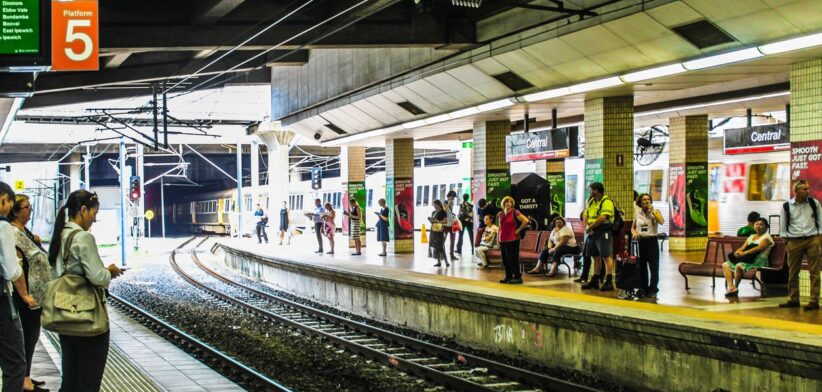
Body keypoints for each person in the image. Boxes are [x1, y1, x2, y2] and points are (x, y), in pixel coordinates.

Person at [47, 190, 124, 392]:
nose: (94, 219)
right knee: (88, 383)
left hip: (64, 314)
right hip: (87, 318)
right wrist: (110, 272)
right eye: (93, 213)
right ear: (82, 210)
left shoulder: (59, 234)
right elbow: (98, 277)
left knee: (69, 381)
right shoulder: (83, 238)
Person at [10, 195, 51, 392]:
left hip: (35, 293)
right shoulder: (13, 233)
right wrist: (25, 295)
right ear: (16, 211)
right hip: (26, 295)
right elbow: (17, 267)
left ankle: (26, 376)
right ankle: (24, 380)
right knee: (28, 335)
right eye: (27, 207)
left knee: (32, 335)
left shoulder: (23, 231)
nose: (30, 210)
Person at [0, 182, 28, 392]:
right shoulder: (3, 226)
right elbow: (11, 270)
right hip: (1, 302)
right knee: (16, 364)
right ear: (4, 200)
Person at [779, 180, 822, 310]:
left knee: (814, 271)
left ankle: (814, 301)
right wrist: (786, 241)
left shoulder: (814, 203)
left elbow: (820, 221)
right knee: (793, 272)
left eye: (808, 189)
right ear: (796, 191)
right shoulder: (786, 206)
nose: (807, 191)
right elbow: (783, 226)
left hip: (812, 240)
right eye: (804, 189)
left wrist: (818, 239)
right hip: (794, 241)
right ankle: (793, 299)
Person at [722, 218, 774, 297]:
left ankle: (736, 287)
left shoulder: (767, 237)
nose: (758, 226)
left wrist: (744, 253)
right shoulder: (751, 236)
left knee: (739, 265)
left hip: (759, 260)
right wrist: (737, 252)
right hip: (748, 258)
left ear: (766, 227)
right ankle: (731, 287)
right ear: (754, 226)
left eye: (761, 224)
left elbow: (759, 248)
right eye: (757, 224)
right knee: (725, 264)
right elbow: (742, 247)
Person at [581, 182, 616, 291]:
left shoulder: (607, 202)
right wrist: (586, 227)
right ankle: (595, 280)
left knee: (606, 256)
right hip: (592, 231)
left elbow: (603, 218)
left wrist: (590, 227)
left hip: (603, 230)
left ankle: (609, 281)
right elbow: (585, 214)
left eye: (591, 190)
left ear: (596, 190)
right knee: (595, 255)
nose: (590, 192)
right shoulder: (591, 201)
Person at [631, 193, 665, 298]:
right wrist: (634, 233)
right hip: (641, 242)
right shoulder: (637, 214)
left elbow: (661, 221)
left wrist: (653, 211)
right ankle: (643, 288)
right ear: (640, 203)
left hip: (652, 242)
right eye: (644, 200)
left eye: (648, 199)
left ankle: (653, 289)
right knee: (642, 267)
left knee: (654, 267)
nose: (647, 201)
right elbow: (633, 227)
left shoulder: (655, 212)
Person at [497, 196, 529, 284]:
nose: (508, 203)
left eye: (510, 202)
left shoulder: (515, 212)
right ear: (503, 203)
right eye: (506, 202)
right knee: (505, 260)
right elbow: (500, 227)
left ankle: (517, 277)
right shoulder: (500, 214)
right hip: (502, 239)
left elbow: (526, 221)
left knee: (513, 259)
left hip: (513, 239)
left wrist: (518, 230)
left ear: (512, 204)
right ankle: (508, 276)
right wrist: (497, 238)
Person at [428, 200, 449, 267]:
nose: (434, 206)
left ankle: (446, 261)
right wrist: (431, 220)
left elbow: (445, 221)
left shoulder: (443, 212)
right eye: (433, 205)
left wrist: (438, 221)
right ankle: (438, 261)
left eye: (435, 205)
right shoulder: (433, 212)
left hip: (439, 231)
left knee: (440, 246)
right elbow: (432, 222)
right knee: (435, 246)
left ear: (439, 204)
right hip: (433, 230)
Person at [445, 191, 459, 261]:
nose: (453, 199)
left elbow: (450, 212)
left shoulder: (452, 203)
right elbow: (444, 210)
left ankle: (452, 255)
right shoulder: (444, 202)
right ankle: (442, 254)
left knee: (453, 240)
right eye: (453, 197)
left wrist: (453, 215)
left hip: (452, 224)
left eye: (454, 198)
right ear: (449, 196)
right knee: (443, 240)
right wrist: (448, 203)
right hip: (445, 225)